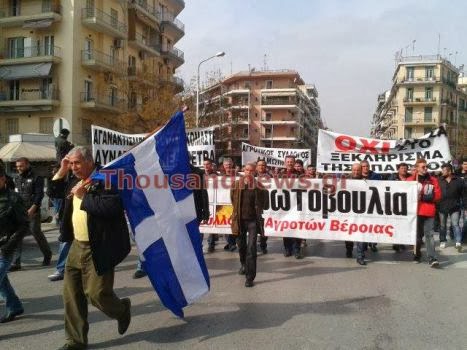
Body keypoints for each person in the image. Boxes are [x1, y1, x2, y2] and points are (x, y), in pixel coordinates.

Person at [50, 147, 131, 350]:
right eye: (71, 163)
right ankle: (75, 341)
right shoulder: (72, 180)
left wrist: (84, 197)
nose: (73, 168)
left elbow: (112, 208)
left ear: (89, 161)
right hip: (76, 245)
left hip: (99, 246)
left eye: (77, 163)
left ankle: (121, 310)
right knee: (71, 296)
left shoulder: (106, 178)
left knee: (97, 294)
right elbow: (53, 192)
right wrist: (61, 171)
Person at [11, 157, 52, 270]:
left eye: (21, 166)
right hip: (20, 211)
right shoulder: (17, 178)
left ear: (27, 165)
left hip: (32, 211)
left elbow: (39, 195)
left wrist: (32, 209)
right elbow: (16, 195)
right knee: (17, 235)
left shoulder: (36, 177)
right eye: (17, 166)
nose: (19, 168)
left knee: (35, 232)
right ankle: (16, 262)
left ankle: (47, 255)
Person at [230, 162, 266, 287]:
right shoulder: (236, 185)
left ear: (255, 172)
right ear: (243, 171)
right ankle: (244, 265)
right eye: (247, 170)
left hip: (253, 222)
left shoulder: (259, 186)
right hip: (239, 220)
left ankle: (250, 278)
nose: (249, 173)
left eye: (251, 171)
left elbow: (265, 202)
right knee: (241, 246)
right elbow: (232, 200)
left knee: (251, 248)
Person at [0, 166, 28, 323]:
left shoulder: (13, 199)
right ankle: (15, 306)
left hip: (5, 249)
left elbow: (24, 225)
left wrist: (8, 246)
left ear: (3, 178)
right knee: (2, 281)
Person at [407, 158, 441, 267]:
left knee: (429, 235)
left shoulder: (433, 180)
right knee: (417, 235)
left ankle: (432, 258)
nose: (425, 168)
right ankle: (417, 254)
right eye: (423, 166)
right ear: (417, 168)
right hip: (415, 212)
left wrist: (428, 197)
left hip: (428, 211)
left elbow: (438, 195)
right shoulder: (410, 180)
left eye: (426, 166)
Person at [344, 163, 368, 265]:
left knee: (361, 234)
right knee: (349, 234)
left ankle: (360, 256)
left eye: (358, 170)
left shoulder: (366, 181)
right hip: (348, 211)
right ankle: (349, 249)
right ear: (351, 170)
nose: (356, 172)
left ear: (360, 170)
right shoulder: (345, 181)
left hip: (361, 212)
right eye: (354, 170)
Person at [281, 155, 303, 259]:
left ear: (294, 163)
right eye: (288, 162)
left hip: (297, 204)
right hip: (285, 205)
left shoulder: (301, 175)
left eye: (291, 162)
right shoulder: (280, 175)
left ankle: (297, 250)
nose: (289, 163)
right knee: (286, 227)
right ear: (285, 163)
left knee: (297, 228)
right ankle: (287, 249)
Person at [438, 164, 463, 252]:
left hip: (455, 206)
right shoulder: (439, 180)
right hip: (442, 206)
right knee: (442, 225)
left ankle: (458, 242)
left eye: (443, 170)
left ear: (449, 171)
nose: (442, 172)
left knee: (455, 224)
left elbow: (463, 194)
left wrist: (464, 205)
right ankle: (442, 240)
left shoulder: (458, 180)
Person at [361, 160, 382, 253]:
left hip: (373, 203)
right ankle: (364, 244)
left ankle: (373, 243)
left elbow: (381, 187)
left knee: (374, 224)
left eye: (367, 166)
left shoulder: (376, 176)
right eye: (363, 166)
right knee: (364, 225)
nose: (365, 168)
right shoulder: (357, 177)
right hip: (361, 204)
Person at [388, 163, 410, 252]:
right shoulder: (392, 178)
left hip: (407, 204)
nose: (404, 170)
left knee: (404, 225)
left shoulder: (411, 177)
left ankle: (401, 242)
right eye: (402, 168)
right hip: (395, 203)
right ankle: (396, 243)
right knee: (396, 225)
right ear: (398, 169)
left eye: (405, 168)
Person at [220, 157, 238, 252]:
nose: (228, 167)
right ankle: (230, 243)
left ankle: (231, 243)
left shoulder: (238, 176)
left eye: (230, 165)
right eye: (226, 165)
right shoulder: (219, 177)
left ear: (233, 165)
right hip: (223, 204)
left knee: (233, 223)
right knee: (225, 224)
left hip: (235, 203)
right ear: (223, 166)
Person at [203, 158, 218, 253]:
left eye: (208, 164)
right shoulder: (201, 175)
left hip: (213, 201)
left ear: (211, 165)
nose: (206, 166)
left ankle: (211, 244)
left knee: (212, 223)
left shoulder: (216, 176)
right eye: (204, 164)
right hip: (203, 201)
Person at [255, 159, 270, 254]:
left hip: (265, 206)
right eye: (260, 165)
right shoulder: (251, 176)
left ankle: (263, 246)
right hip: (253, 206)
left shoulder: (271, 178)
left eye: (263, 165)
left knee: (264, 228)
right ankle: (254, 246)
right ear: (256, 167)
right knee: (253, 228)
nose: (261, 167)